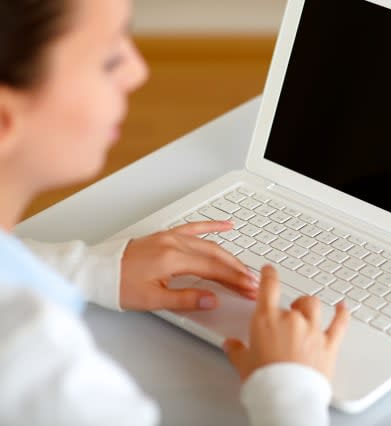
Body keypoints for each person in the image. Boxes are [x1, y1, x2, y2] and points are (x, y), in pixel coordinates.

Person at [0, 0, 349, 425]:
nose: (138, 71)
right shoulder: (40, 372)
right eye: (110, 59)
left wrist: (85, 268)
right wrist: (291, 391)